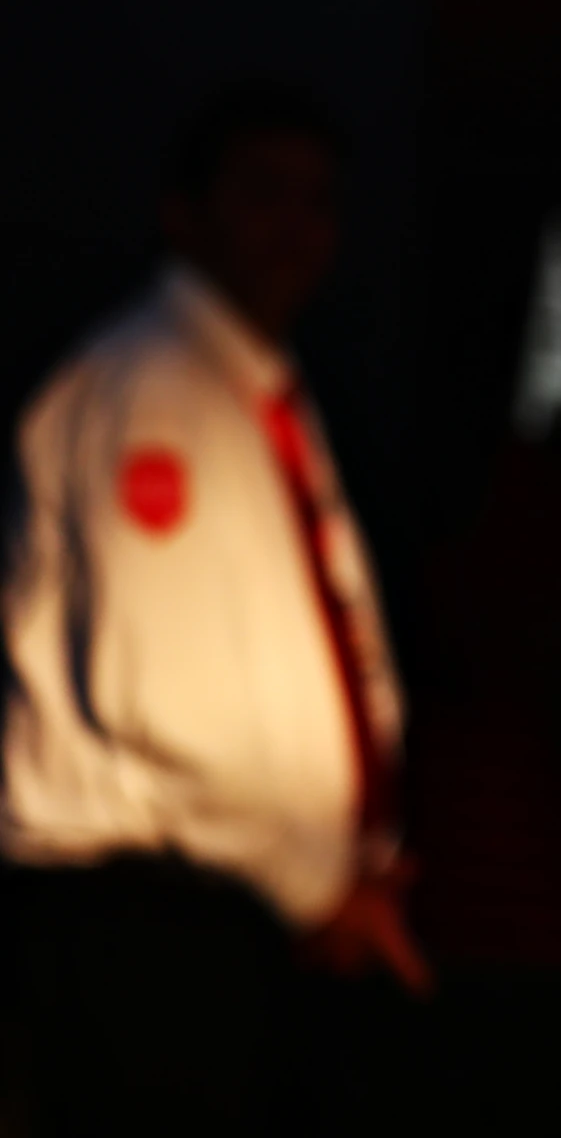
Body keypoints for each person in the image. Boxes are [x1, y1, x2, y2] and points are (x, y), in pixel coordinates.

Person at [0, 81, 425, 1134]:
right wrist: (322, 884)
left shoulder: (257, 397)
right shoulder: (151, 387)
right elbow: (165, 703)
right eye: (264, 194)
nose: (298, 227)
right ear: (183, 214)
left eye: (318, 201)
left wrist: (353, 856)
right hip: (141, 925)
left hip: (219, 922)